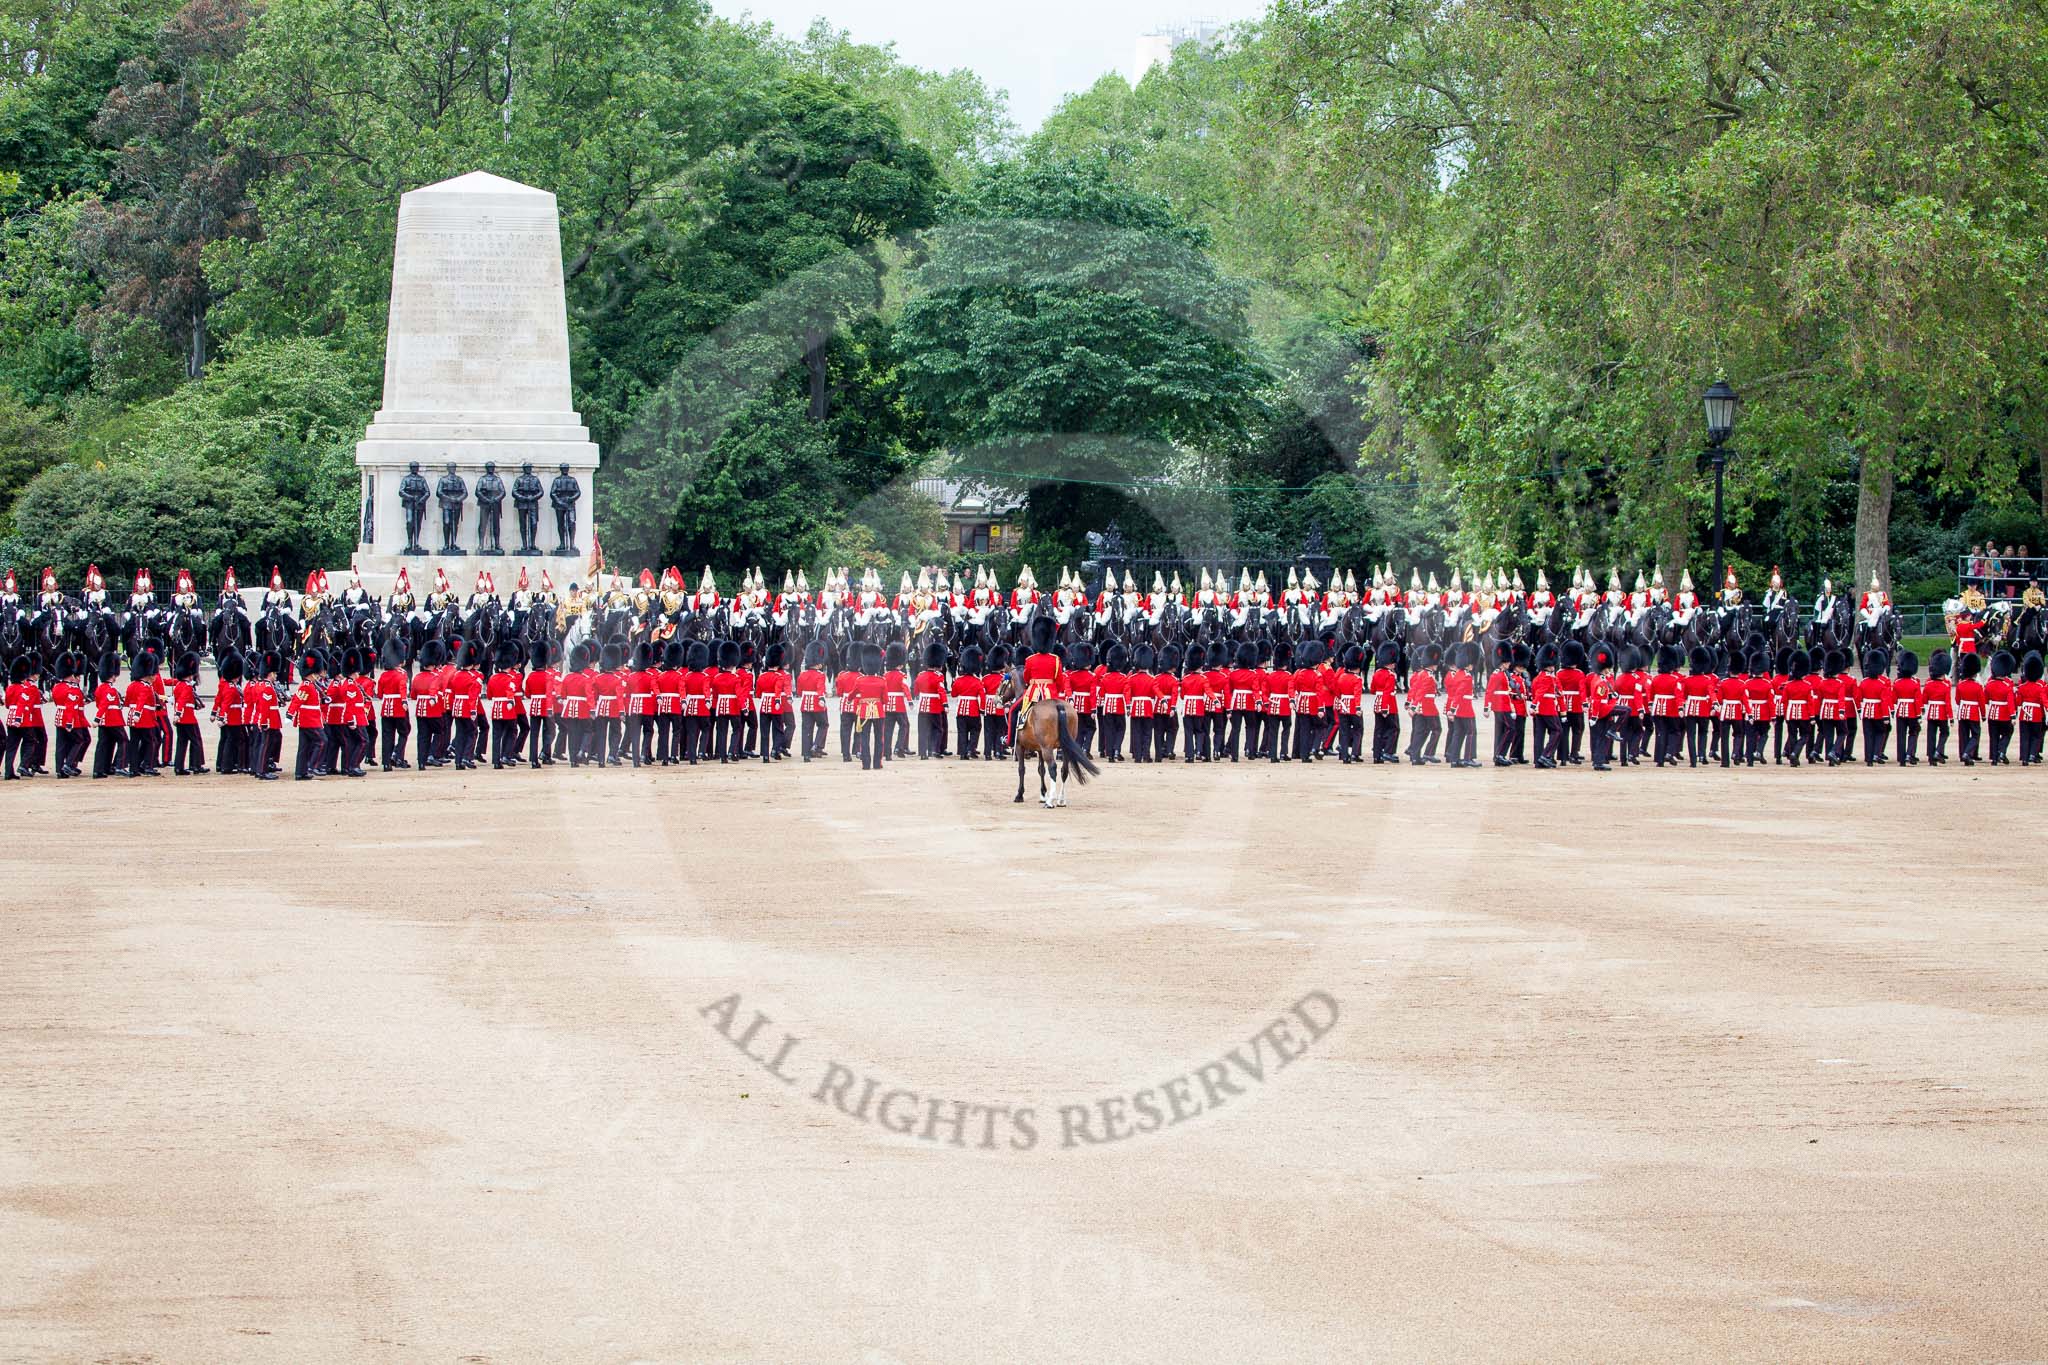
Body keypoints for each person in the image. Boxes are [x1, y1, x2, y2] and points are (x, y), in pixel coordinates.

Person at [289, 651, 327, 780]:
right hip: (309, 720)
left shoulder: (311, 685)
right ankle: (312, 766)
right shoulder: (306, 686)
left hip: (310, 719)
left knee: (304, 747)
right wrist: (290, 714)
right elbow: (297, 700)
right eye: (315, 673)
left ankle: (301, 772)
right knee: (322, 741)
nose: (317, 676)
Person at [51, 653, 89, 778]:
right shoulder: (72, 689)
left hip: (59, 717)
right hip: (70, 719)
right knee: (79, 740)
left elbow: (58, 702)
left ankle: (59, 769)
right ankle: (68, 764)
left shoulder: (56, 687)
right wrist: (69, 722)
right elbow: (71, 707)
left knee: (61, 745)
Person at [1441, 643, 1477, 767]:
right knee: (1471, 732)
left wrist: (1453, 709)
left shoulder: (1457, 675)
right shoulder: (1466, 676)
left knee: (1458, 733)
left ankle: (1454, 759)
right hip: (1465, 709)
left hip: (1458, 709)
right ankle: (1468, 758)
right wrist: (1452, 708)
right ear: (1468, 664)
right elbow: (1460, 693)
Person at [1857, 649, 1894, 767]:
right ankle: (1876, 754)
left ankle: (1868, 758)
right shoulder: (1882, 684)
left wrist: (1860, 710)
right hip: (1878, 712)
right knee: (1880, 732)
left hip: (1867, 712)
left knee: (1868, 734)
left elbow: (1859, 698)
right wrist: (1886, 716)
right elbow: (1884, 701)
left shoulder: (1863, 682)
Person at [1405, 643, 1441, 765]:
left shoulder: (1422, 674)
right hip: (1428, 707)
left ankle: (1415, 756)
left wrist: (1412, 705)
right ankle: (1428, 753)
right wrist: (1413, 707)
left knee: (1421, 731)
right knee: (1437, 729)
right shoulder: (1428, 676)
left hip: (1421, 706)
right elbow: (1421, 692)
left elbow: (1415, 690)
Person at [950, 645, 983, 759]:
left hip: (961, 711)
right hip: (973, 710)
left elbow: (953, 694)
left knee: (962, 732)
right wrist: (982, 709)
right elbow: (982, 697)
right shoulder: (977, 681)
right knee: (975, 730)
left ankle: (963, 753)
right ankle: (971, 750)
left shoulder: (958, 681)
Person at [1984, 651, 2017, 764]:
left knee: (1993, 736)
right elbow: (2011, 702)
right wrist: (2013, 716)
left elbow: (1986, 699)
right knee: (2008, 732)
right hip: (2004, 714)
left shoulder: (1989, 683)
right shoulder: (2007, 685)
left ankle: (1994, 758)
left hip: (1992, 713)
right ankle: (2001, 751)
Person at [1891, 650, 1921, 766]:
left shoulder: (1897, 682)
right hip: (1912, 711)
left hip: (1900, 711)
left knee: (1901, 735)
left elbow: (1894, 699)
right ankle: (1910, 753)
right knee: (1914, 731)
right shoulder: (1914, 683)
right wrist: (1918, 715)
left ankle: (1901, 759)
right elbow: (1917, 700)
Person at [1954, 652, 1984, 765]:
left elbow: (1957, 700)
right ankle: (1967, 753)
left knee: (1963, 735)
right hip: (1973, 713)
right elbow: (1981, 702)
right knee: (1975, 735)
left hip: (1962, 712)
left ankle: (1963, 755)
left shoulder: (1960, 684)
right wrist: (1984, 714)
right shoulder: (1978, 686)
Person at [2016, 652, 2045, 766]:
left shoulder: (2022, 687)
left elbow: (2018, 702)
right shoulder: (2040, 687)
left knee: (2024, 736)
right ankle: (2033, 754)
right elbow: (2043, 701)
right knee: (2036, 735)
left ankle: (2024, 758)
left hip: (2024, 714)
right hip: (2037, 714)